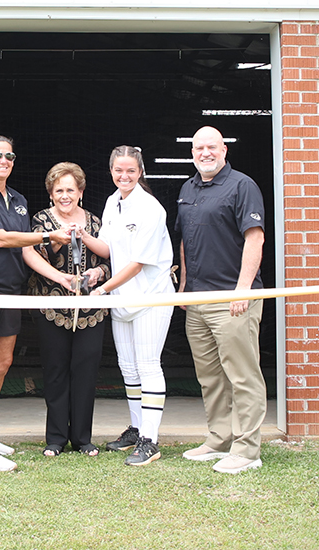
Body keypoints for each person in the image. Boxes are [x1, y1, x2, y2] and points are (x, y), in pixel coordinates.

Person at [0, 135, 72, 471]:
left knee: (2, 362)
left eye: (9, 156)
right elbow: (1, 238)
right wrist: (49, 235)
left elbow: (24, 250)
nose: (4, 160)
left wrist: (61, 272)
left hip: (9, 287)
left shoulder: (19, 200)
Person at [176, 126, 267, 474]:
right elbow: (185, 240)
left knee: (243, 376)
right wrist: (184, 285)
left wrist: (243, 290)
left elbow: (254, 239)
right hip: (198, 298)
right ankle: (219, 438)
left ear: (224, 150)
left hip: (233, 298)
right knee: (210, 376)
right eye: (199, 148)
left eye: (211, 147)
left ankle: (247, 450)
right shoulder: (188, 188)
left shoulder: (242, 186)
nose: (205, 153)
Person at [87, 146, 174, 466]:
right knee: (128, 367)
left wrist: (104, 288)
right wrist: (81, 235)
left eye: (131, 171)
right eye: (118, 171)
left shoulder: (151, 208)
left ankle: (150, 440)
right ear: (111, 171)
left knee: (149, 365)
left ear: (140, 173)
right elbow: (108, 248)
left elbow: (138, 263)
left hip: (151, 296)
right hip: (122, 299)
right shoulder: (112, 202)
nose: (124, 176)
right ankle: (137, 429)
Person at [26, 162, 110, 457]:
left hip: (91, 312)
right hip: (53, 308)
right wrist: (58, 240)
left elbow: (111, 260)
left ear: (81, 192)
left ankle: (83, 438)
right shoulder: (40, 220)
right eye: (59, 190)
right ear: (51, 193)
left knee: (86, 372)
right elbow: (35, 255)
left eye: (70, 190)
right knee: (56, 371)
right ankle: (56, 438)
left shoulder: (97, 222)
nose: (65, 195)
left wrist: (98, 274)